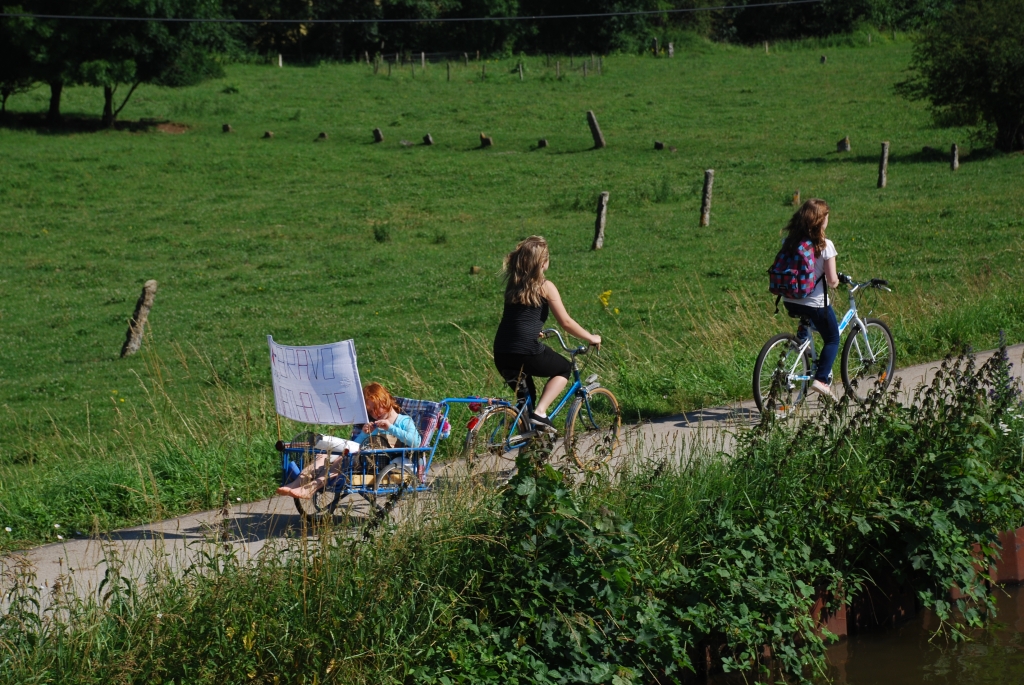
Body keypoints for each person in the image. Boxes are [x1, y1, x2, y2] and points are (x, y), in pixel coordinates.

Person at [493, 236, 602, 430]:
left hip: (501, 353)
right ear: (543, 263)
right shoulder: (545, 286)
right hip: (525, 351)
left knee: (527, 401)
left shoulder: (513, 285)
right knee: (563, 369)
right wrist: (591, 337)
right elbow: (566, 322)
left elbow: (520, 320)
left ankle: (528, 442)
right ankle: (541, 413)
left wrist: (536, 331)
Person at [276, 382, 420, 499]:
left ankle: (312, 487)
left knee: (344, 458)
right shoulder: (374, 424)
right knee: (323, 456)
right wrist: (364, 434)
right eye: (370, 411)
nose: (374, 414)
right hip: (361, 457)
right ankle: (295, 484)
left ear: (386, 401)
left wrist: (390, 428)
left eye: (376, 408)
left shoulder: (403, 421)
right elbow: (356, 445)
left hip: (377, 463)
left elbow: (416, 442)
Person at [779, 199, 840, 398]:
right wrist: (838, 281)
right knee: (832, 338)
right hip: (814, 304)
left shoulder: (789, 242)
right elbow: (831, 281)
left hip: (790, 299)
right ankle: (821, 380)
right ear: (820, 221)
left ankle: (802, 346)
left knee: (810, 323)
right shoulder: (826, 245)